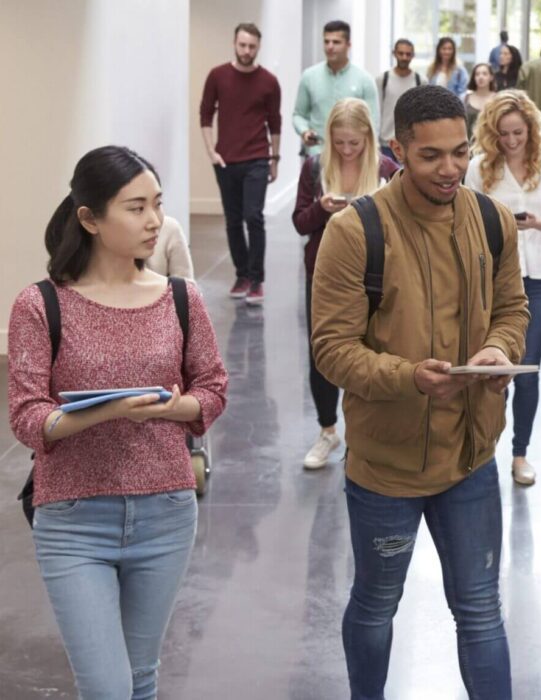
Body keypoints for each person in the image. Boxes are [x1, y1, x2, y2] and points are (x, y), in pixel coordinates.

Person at [311, 84, 529, 700]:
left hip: (472, 457)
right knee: (377, 606)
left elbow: (512, 310)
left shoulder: (491, 219)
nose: (451, 169)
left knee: (482, 610)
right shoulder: (354, 232)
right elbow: (331, 348)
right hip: (387, 466)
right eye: (431, 156)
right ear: (398, 149)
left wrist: (500, 350)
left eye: (460, 152)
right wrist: (408, 376)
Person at [7, 145, 228, 700]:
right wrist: (108, 409)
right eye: (135, 208)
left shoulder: (181, 298)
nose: (154, 221)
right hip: (74, 518)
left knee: (141, 676)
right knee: (106, 686)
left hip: (167, 511)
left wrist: (171, 408)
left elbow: (213, 390)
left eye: (157, 204)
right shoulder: (41, 305)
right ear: (89, 219)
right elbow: (28, 417)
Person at [464, 90, 541, 486]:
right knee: (494, 369)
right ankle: (484, 451)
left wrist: (537, 224)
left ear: (531, 129)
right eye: (503, 134)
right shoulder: (478, 167)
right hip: (494, 280)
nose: (511, 141)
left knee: (526, 370)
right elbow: (468, 222)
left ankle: (519, 453)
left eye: (518, 133)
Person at [293, 98, 399, 471]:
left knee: (371, 350)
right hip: (324, 273)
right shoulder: (314, 167)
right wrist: (322, 208)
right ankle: (327, 430)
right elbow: (300, 223)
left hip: (376, 273)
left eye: (354, 143)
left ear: (368, 138)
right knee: (323, 353)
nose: (347, 150)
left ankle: (362, 433)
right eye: (339, 143)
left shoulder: (387, 169)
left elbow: (404, 223)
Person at [200, 22, 281, 305]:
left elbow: (275, 122)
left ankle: (257, 279)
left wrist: (275, 158)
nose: (247, 50)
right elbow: (205, 115)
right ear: (235, 43)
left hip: (258, 157)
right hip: (226, 160)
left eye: (252, 46)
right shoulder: (218, 76)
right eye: (242, 45)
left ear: (258, 47)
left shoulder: (269, 81)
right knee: (233, 220)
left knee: (253, 216)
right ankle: (242, 274)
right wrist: (212, 151)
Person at [293, 20, 380, 158]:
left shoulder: (364, 80)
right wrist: (304, 131)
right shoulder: (309, 76)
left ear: (348, 45)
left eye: (336, 42)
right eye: (326, 42)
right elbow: (298, 115)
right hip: (317, 154)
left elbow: (373, 122)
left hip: (352, 157)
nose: (330, 47)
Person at [377, 38, 421, 162]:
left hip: (410, 142)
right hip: (385, 143)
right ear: (394, 53)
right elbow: (377, 110)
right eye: (401, 53)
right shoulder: (383, 79)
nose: (404, 57)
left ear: (413, 55)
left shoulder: (420, 81)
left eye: (408, 54)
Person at [464, 63, 497, 139]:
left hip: (491, 144)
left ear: (491, 77)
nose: (480, 77)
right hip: (470, 145)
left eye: (484, 74)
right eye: (477, 74)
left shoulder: (497, 99)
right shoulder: (466, 97)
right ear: (474, 78)